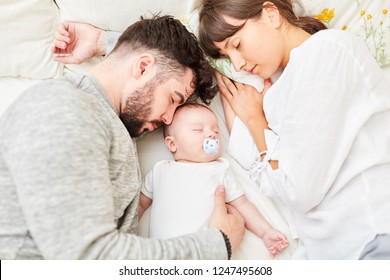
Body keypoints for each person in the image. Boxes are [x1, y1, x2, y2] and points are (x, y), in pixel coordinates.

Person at [0, 15, 246, 260]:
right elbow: (88, 259)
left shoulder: (113, 120)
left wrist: (103, 42)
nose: (170, 119)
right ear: (142, 67)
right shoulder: (65, 108)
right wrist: (218, 243)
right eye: (173, 98)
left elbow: (158, 63)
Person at [197, 0, 390, 259]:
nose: (238, 64)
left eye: (237, 45)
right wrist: (254, 119)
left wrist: (256, 121)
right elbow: (262, 171)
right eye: (226, 57)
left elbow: (297, 190)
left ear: (270, 14)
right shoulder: (277, 91)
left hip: (371, 237)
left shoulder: (328, 50)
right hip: (332, 253)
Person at [138, 103, 289, 258]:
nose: (212, 135)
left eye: (216, 130)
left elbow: (242, 204)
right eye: (198, 129)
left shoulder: (220, 169)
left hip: (208, 251)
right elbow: (140, 204)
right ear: (172, 143)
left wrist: (265, 231)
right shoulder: (160, 170)